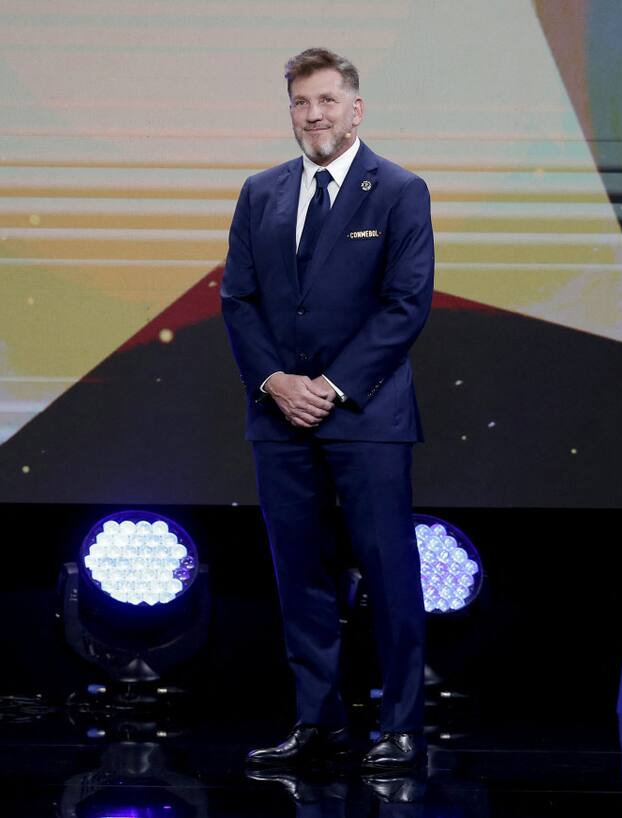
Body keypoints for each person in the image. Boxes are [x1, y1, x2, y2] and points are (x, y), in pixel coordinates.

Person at [221, 47, 433, 771]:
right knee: (300, 574)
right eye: (301, 103)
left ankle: (402, 726)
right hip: (279, 417)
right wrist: (278, 382)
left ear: (356, 108)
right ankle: (319, 724)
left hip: (366, 416)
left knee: (388, 570)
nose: (314, 115)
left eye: (327, 101)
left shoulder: (400, 191)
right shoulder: (260, 192)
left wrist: (331, 387)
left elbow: (406, 306)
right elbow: (237, 300)